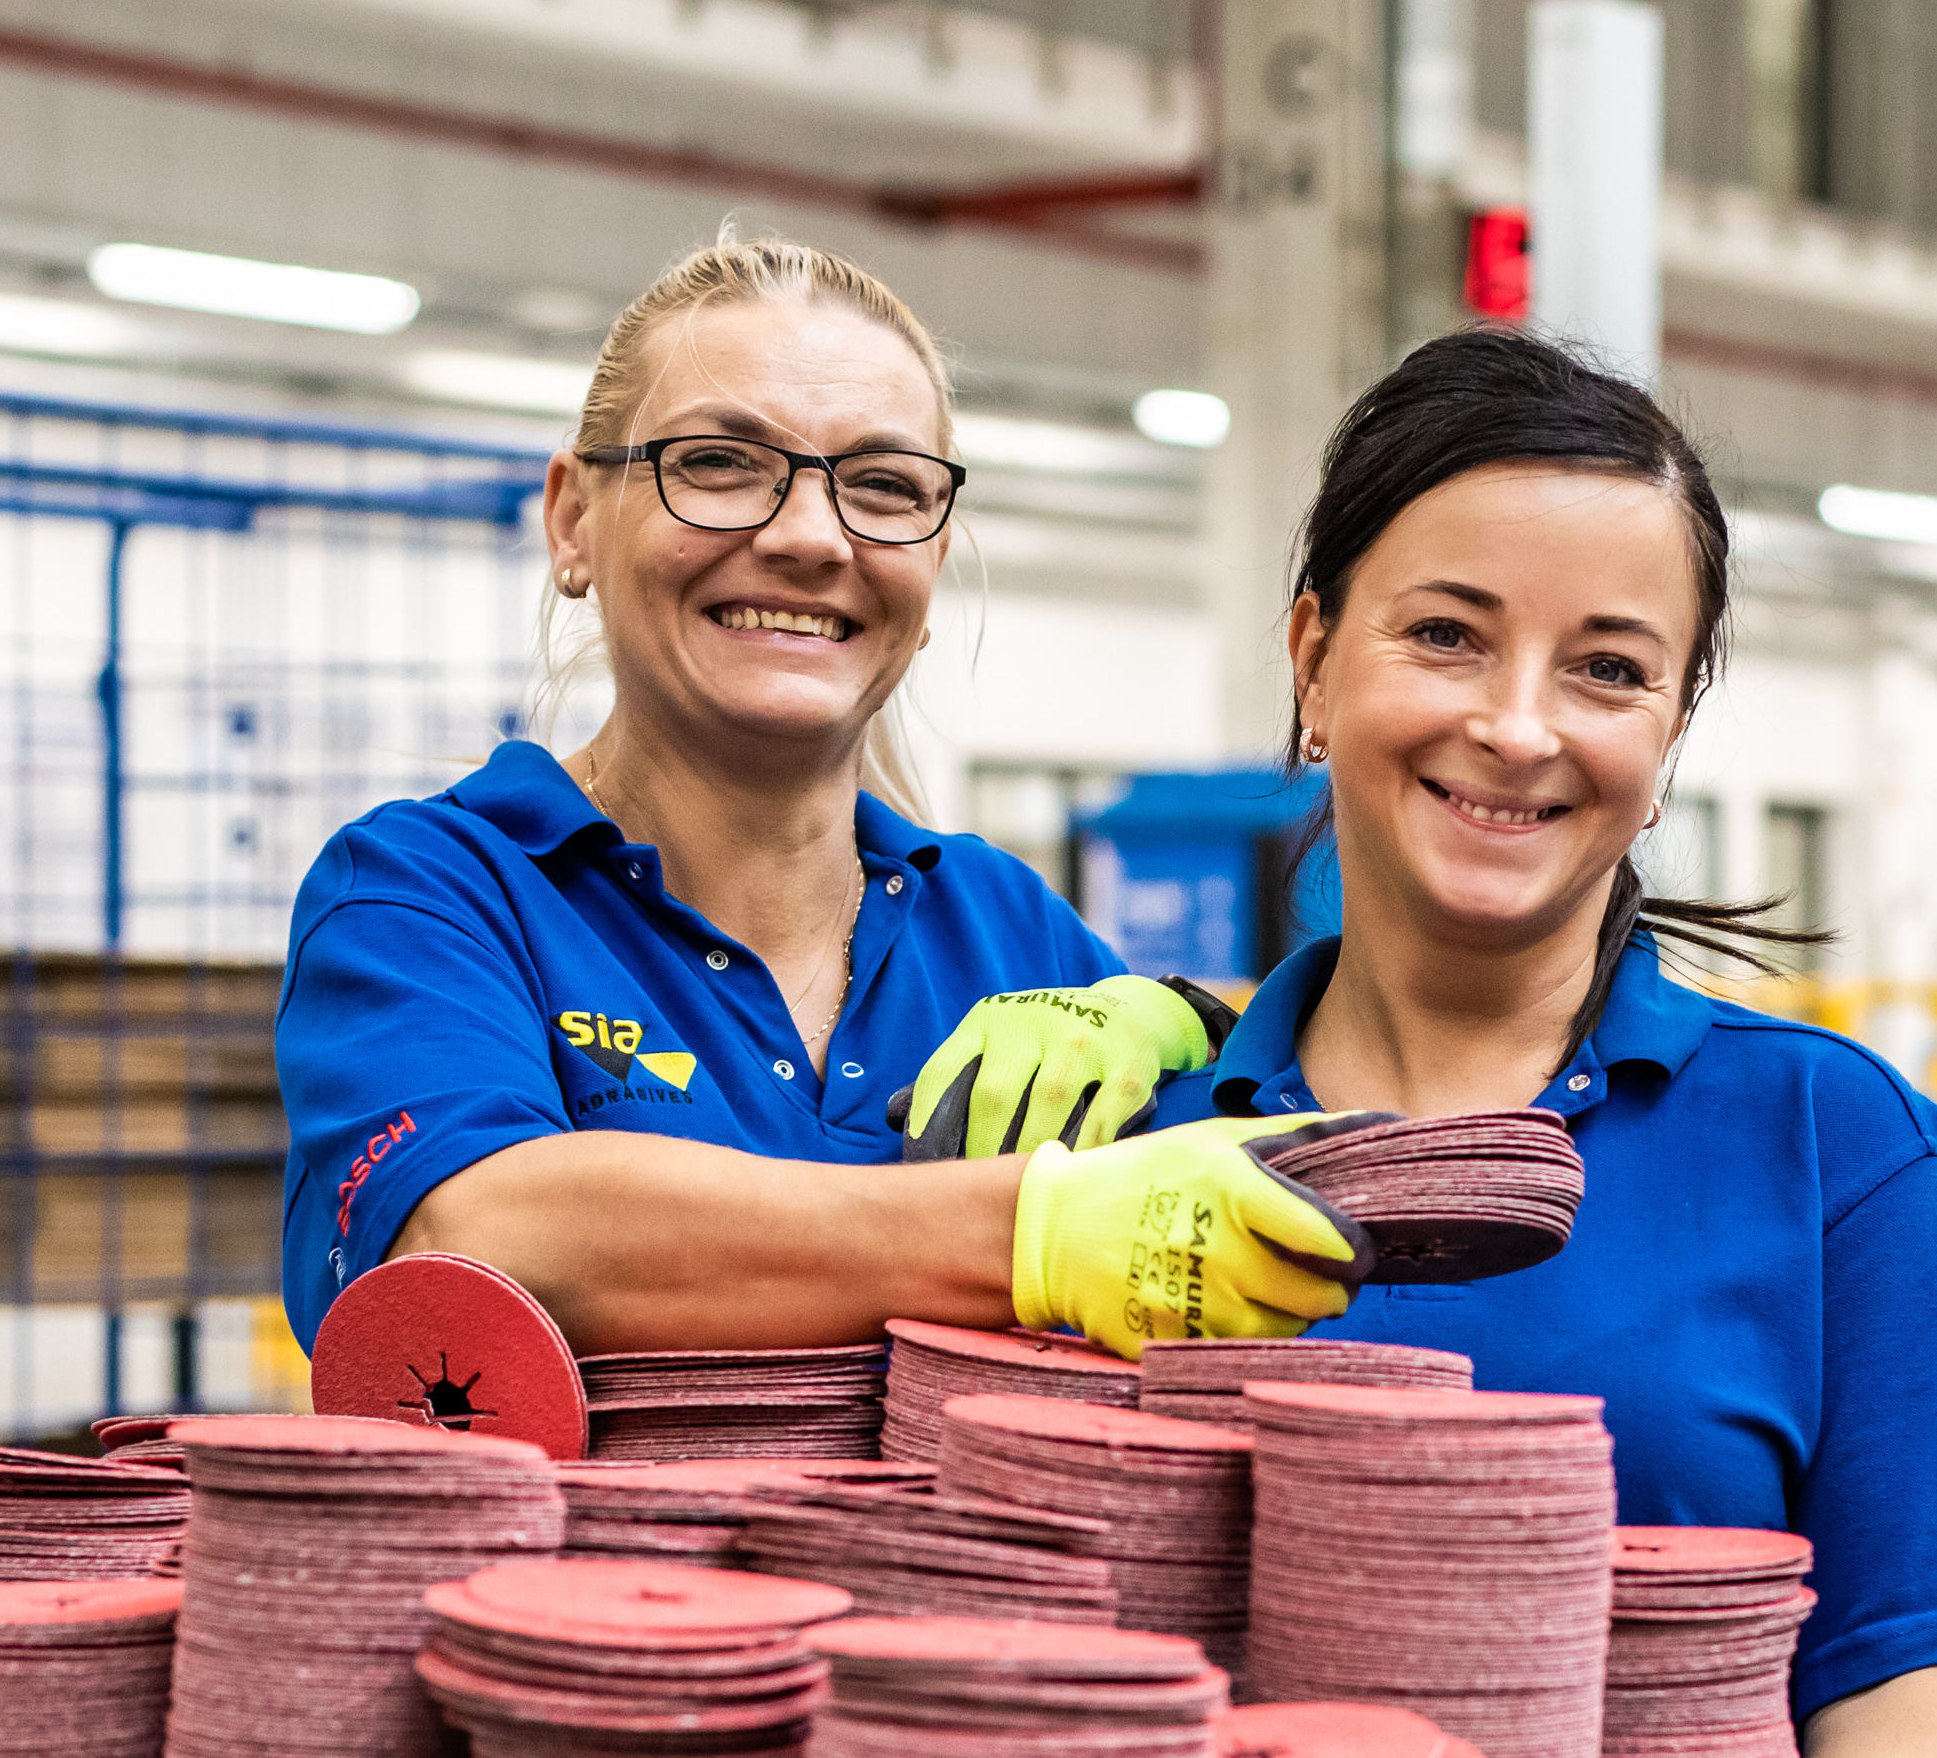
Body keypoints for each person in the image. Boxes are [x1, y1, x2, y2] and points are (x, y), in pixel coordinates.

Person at [1123, 324, 1937, 1758]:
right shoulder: (1137, 1146)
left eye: (1608, 669)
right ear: (1313, 657)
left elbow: (1912, 1668)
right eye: (1446, 634)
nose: (1518, 727)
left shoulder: (1822, 1139)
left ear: (1669, 726)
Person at [273, 236, 1356, 1359]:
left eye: (885, 487)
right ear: (571, 523)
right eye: (717, 464)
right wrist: (1035, 1229)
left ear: (932, 569)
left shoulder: (1008, 932)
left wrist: (1185, 1020)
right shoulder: (431, 897)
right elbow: (474, 1236)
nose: (806, 536)